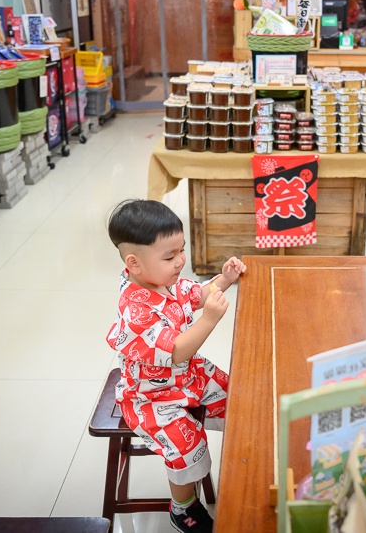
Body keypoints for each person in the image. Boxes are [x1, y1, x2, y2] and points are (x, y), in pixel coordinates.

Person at [106, 199, 246, 532]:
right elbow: (179, 350)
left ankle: (249, 457)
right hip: (150, 396)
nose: (180, 260)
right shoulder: (135, 309)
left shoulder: (164, 279)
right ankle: (182, 507)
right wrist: (210, 320)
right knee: (187, 444)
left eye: (181, 250)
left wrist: (223, 280)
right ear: (134, 263)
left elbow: (195, 294)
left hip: (187, 376)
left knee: (241, 399)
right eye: (170, 256)